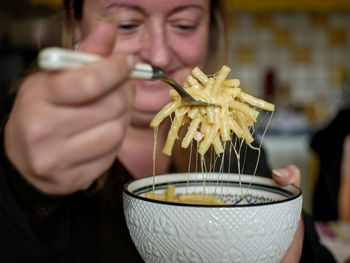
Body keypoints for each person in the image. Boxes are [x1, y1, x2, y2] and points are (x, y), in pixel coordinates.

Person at [0, 0, 335, 262]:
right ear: (75, 22)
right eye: (127, 24)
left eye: (184, 25)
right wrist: (23, 188)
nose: (158, 53)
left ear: (211, 28)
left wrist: (293, 238)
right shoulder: (20, 138)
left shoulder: (234, 149)